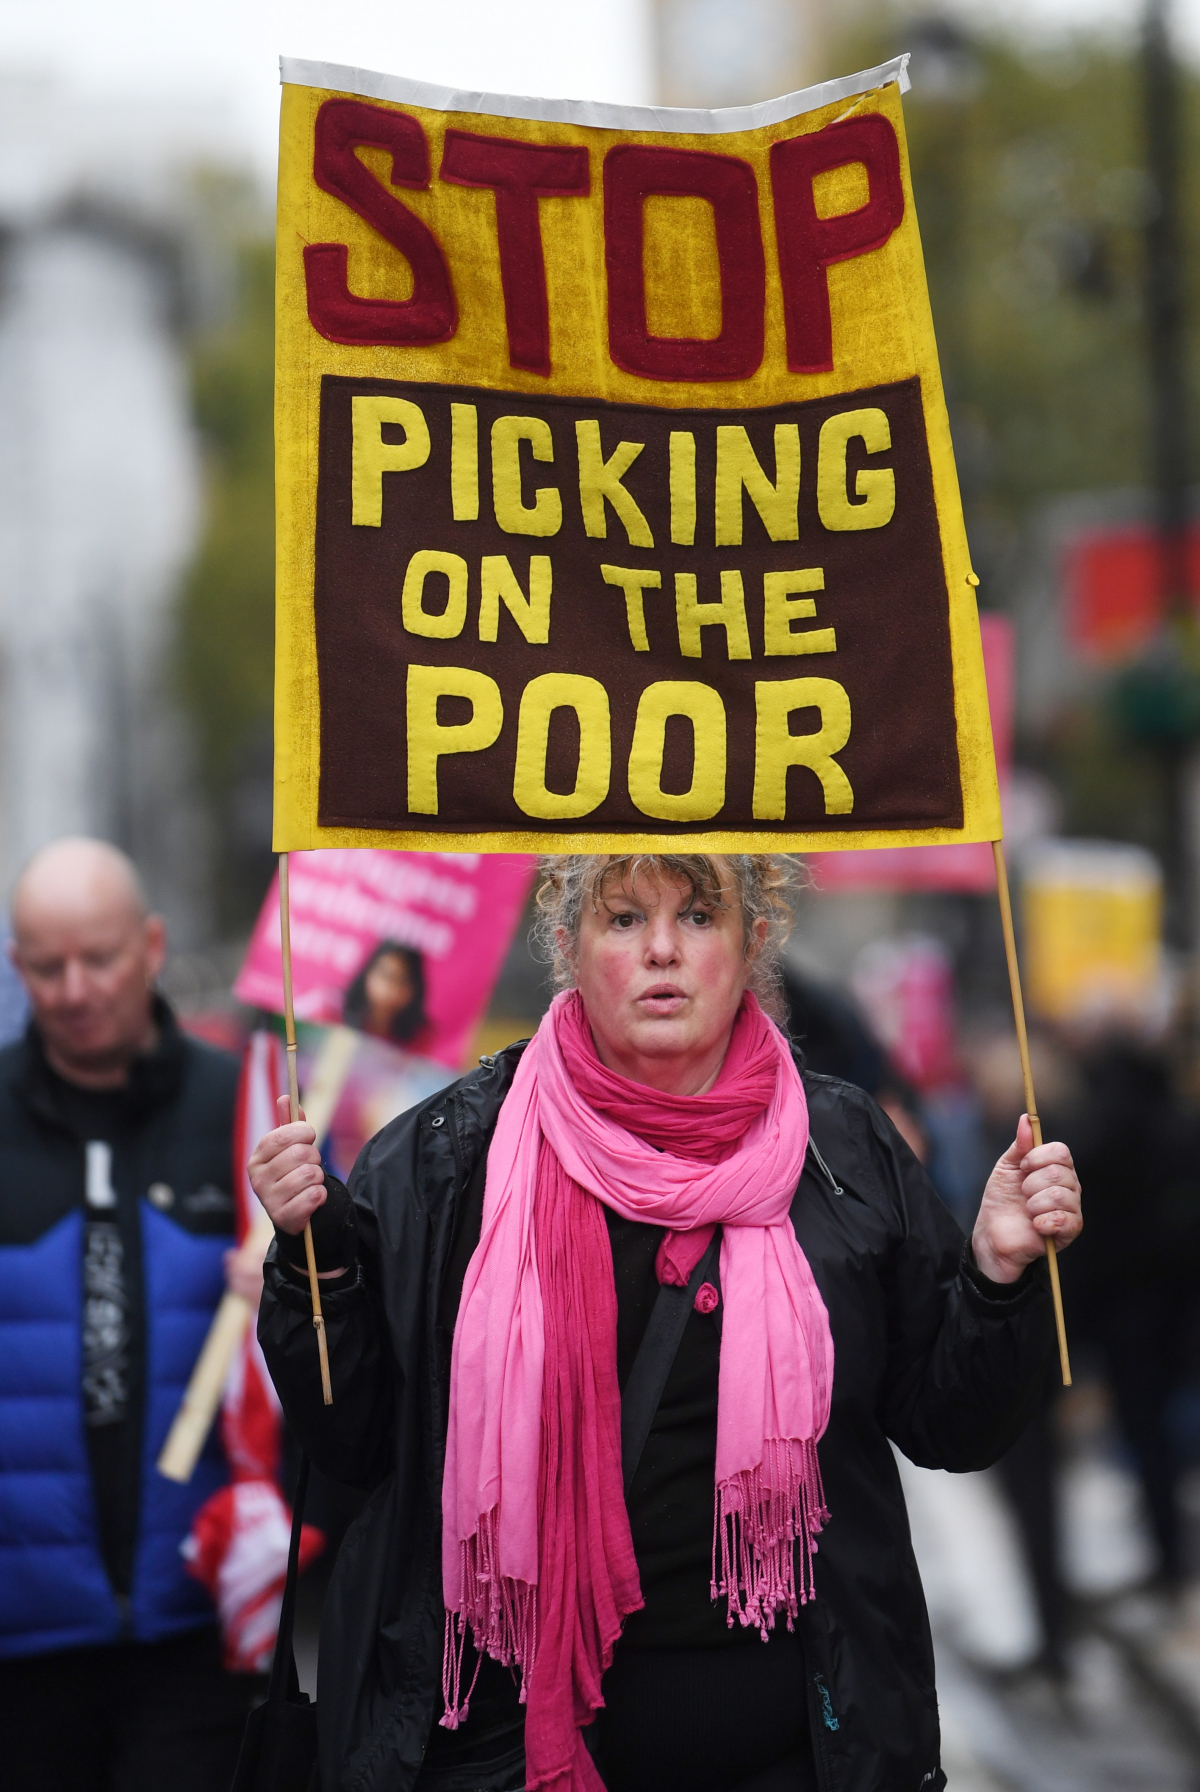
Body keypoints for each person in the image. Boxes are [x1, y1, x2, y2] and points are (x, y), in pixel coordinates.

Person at [252, 853, 1082, 1792]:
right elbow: (351, 1442)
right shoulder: (447, 1159)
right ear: (566, 949)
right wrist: (311, 1262)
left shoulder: (843, 1146)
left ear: (752, 944)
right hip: (508, 1749)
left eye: (696, 917)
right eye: (621, 921)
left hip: (799, 1747)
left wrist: (998, 1272)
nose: (661, 952)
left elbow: (952, 1425)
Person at [0, 837, 265, 1791]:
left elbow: (341, 1335)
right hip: (21, 1642)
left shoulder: (245, 1110)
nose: (73, 988)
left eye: (98, 957)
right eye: (45, 964)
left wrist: (303, 1282)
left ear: (151, 946)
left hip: (199, 1628)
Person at [342, 940, 428, 1046]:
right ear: (368, 972)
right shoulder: (333, 1009)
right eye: (384, 974)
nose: (388, 986)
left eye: (401, 980)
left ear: (414, 989)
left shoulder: (420, 1033)